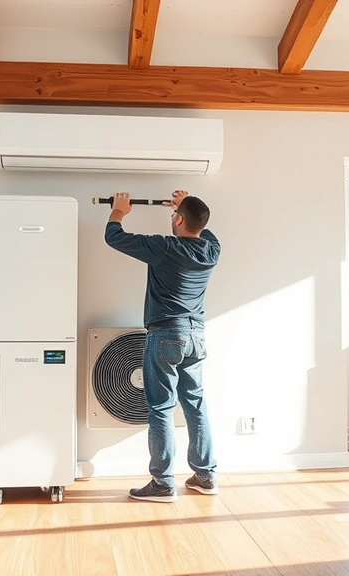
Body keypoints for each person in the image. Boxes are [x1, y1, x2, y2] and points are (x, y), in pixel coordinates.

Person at [104, 190, 221, 503]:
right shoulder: (211, 250)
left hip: (166, 336)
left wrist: (119, 211)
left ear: (179, 220)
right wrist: (183, 205)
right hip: (196, 337)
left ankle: (163, 483)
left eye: (174, 215)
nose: (171, 219)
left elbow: (113, 237)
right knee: (195, 405)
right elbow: (204, 228)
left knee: (160, 408)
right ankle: (206, 476)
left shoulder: (164, 247)